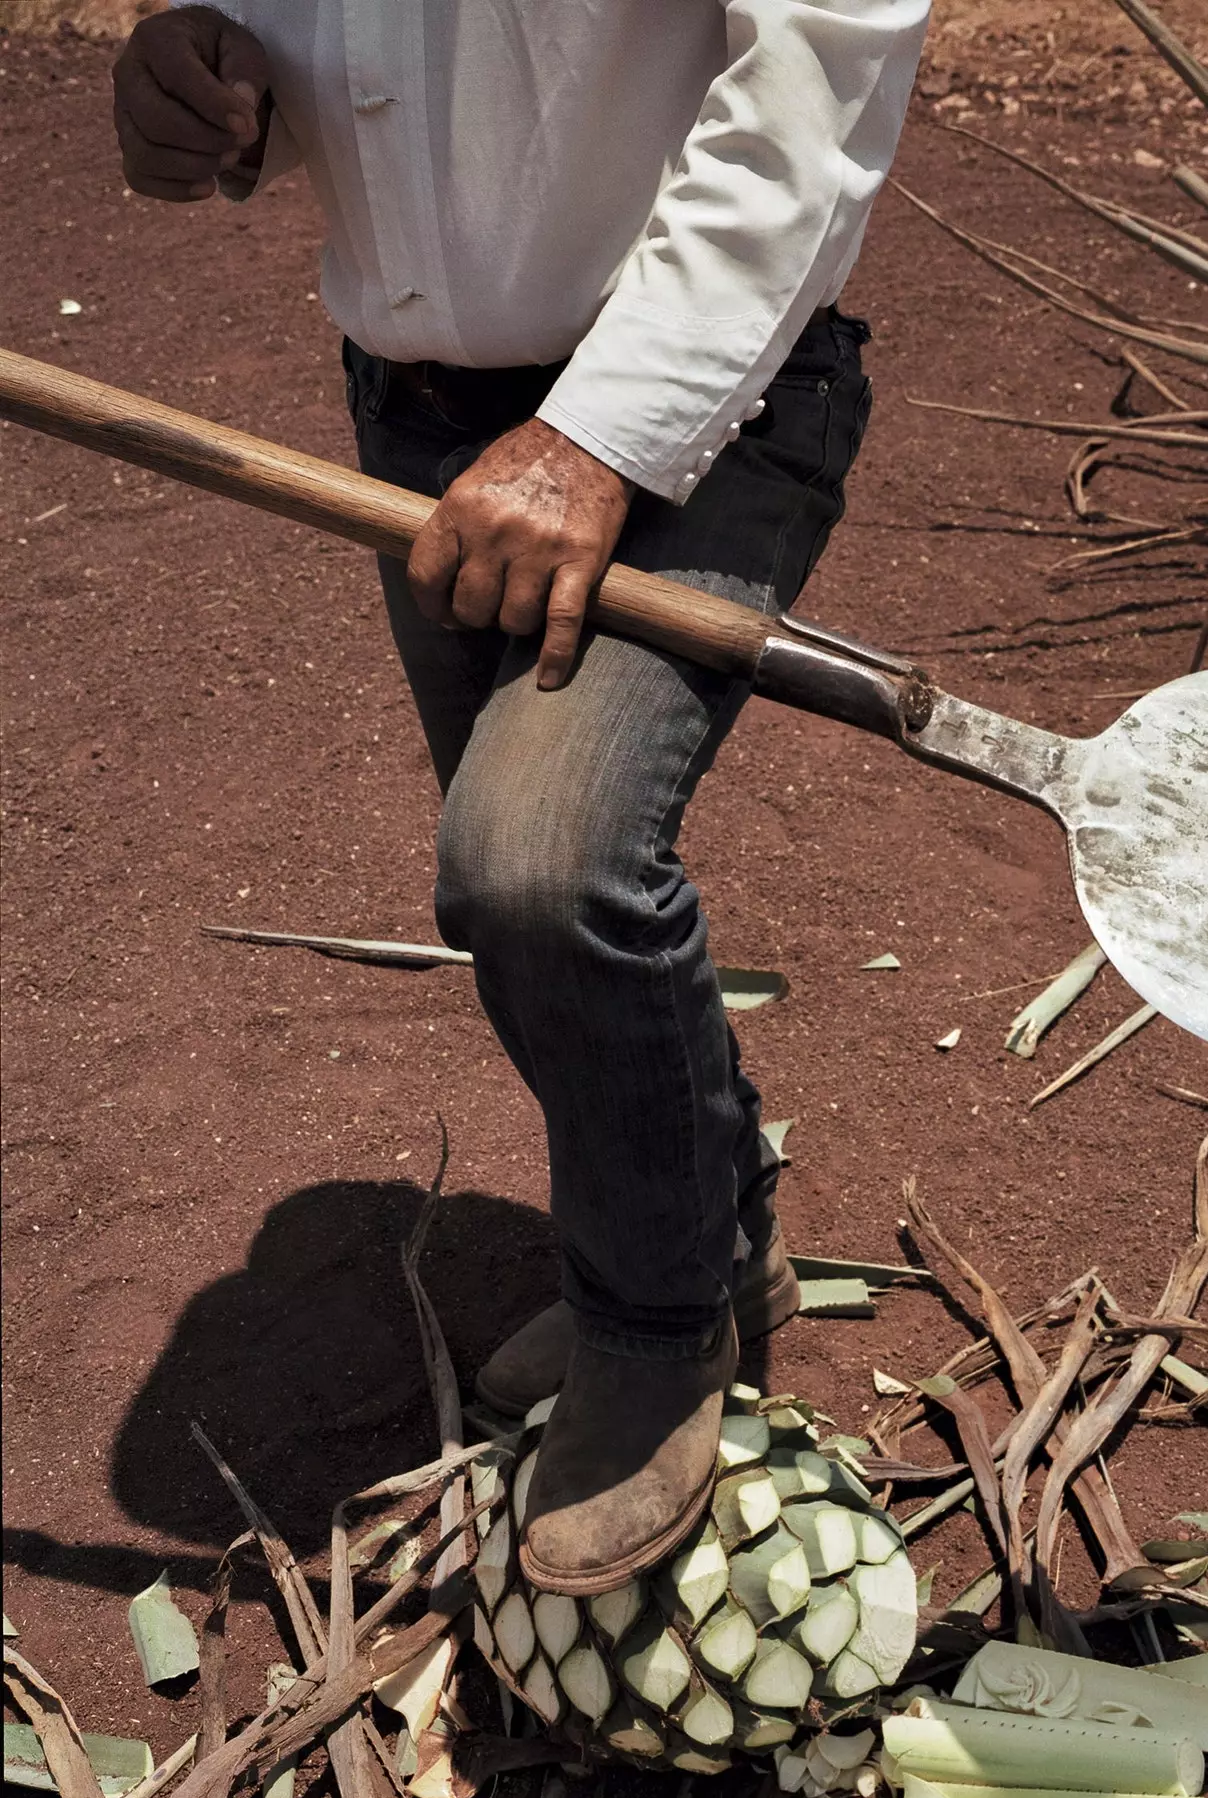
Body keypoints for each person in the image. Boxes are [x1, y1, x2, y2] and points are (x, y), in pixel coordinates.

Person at [112, 0, 928, 1597]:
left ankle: (656, 1320)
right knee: (531, 903)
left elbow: (822, 66)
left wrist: (595, 436)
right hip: (414, 428)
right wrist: (212, 74)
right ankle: (714, 1228)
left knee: (541, 863)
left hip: (704, 403)